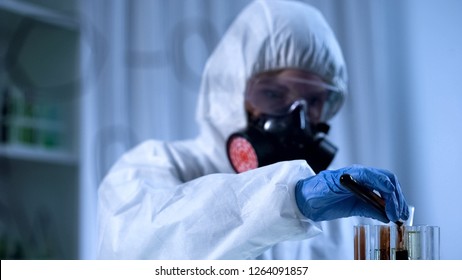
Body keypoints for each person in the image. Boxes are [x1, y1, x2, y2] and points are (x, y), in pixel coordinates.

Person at [97, 0, 409, 259]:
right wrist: (288, 200)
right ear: (230, 91)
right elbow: (136, 248)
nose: (297, 118)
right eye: (273, 94)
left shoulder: (338, 218)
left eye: (314, 100)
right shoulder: (156, 166)